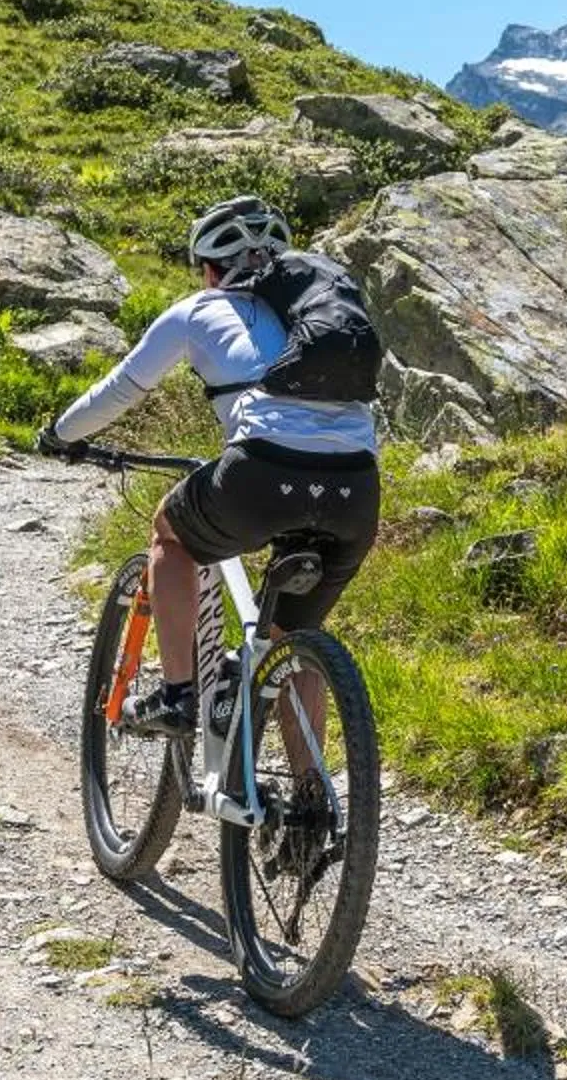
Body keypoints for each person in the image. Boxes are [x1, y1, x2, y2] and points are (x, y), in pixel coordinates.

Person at [38, 196, 379, 739]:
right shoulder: (315, 318)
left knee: (170, 533)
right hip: (357, 490)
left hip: (261, 473)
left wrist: (60, 435)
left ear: (211, 270)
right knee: (290, 641)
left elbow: (122, 389)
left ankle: (177, 695)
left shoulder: (199, 310)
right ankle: (312, 789)